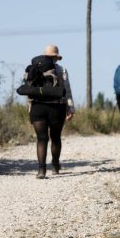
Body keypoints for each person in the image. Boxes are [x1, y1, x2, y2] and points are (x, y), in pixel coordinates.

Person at [26, 44, 75, 179]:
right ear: (56, 57)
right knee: (55, 137)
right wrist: (70, 108)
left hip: (37, 107)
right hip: (56, 107)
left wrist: (31, 108)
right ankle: (55, 165)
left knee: (41, 139)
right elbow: (67, 90)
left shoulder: (33, 68)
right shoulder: (61, 70)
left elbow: (29, 90)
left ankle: (41, 170)